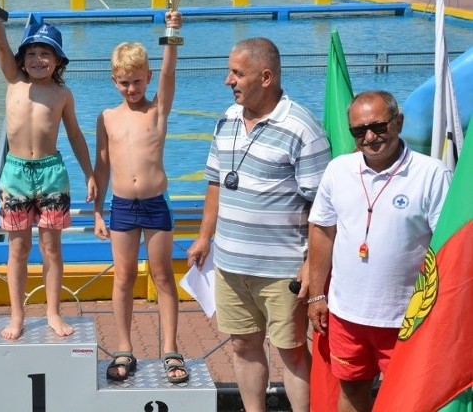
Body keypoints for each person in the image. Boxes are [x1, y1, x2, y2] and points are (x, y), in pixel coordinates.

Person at [186, 37, 331, 412]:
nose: (227, 80)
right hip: (231, 264)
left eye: (236, 72)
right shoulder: (227, 118)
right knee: (243, 346)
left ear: (265, 77)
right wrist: (205, 237)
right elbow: (216, 181)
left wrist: (310, 267)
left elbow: (324, 207)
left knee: (293, 353)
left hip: (282, 270)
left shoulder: (302, 127)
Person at [307, 90, 451, 412]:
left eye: (378, 127)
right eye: (359, 131)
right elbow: (322, 231)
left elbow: (446, 249)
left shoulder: (432, 174)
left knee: (409, 399)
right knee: (351, 390)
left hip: (406, 318)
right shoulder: (337, 170)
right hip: (346, 315)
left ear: (398, 122)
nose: (370, 137)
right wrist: (317, 296)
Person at [0, 0, 96, 340]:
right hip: (15, 172)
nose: (37, 60)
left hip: (51, 173)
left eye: (46, 54)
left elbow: (75, 135)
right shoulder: (13, 81)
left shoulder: (62, 94)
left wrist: (89, 174)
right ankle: (17, 315)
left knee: (51, 248)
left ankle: (52, 312)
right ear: (21, 58)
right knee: (18, 248)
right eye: (31, 53)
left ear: (58, 60)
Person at [93, 17, 189, 384]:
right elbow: (102, 166)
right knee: (124, 277)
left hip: (154, 202)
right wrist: (98, 211)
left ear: (147, 78)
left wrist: (171, 35)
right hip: (121, 205)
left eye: (137, 80)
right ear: (113, 81)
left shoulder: (157, 111)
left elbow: (169, 73)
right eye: (124, 82)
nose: (131, 88)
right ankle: (123, 347)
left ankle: (170, 348)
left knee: (163, 276)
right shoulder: (106, 117)